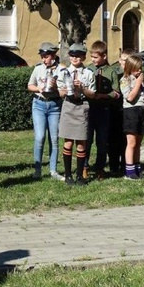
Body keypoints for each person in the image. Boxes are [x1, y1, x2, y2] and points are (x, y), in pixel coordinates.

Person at [27, 42, 66, 180]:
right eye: (42, 56)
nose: (44, 59)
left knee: (54, 139)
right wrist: (39, 88)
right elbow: (30, 85)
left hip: (55, 105)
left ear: (53, 55)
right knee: (40, 137)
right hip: (39, 104)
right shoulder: (38, 69)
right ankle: (37, 171)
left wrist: (55, 89)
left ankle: (53, 170)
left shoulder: (61, 70)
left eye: (46, 56)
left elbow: (64, 92)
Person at [58, 43, 96, 185]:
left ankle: (80, 175)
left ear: (84, 57)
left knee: (81, 143)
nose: (75, 58)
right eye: (72, 55)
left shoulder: (88, 73)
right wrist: (67, 89)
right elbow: (60, 92)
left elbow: (92, 94)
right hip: (68, 106)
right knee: (68, 142)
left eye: (78, 55)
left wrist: (82, 88)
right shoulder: (63, 72)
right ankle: (68, 175)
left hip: (82, 106)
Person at [85, 41, 121, 180]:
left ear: (104, 56)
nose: (93, 60)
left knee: (102, 140)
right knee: (87, 139)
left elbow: (116, 92)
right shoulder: (88, 69)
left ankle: (100, 168)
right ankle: (85, 166)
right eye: (92, 57)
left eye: (95, 57)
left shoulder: (111, 71)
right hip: (89, 109)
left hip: (104, 109)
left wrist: (104, 96)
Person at [120, 54, 144, 180]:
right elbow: (130, 97)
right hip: (131, 111)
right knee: (131, 142)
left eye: (141, 68)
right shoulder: (125, 80)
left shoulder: (140, 80)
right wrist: (138, 83)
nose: (140, 71)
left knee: (138, 142)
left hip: (141, 110)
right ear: (130, 67)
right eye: (137, 68)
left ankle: (137, 167)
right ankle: (129, 170)